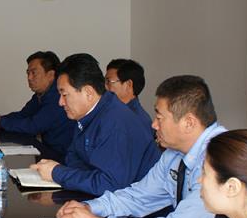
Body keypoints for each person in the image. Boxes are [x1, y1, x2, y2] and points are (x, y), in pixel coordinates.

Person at [57, 75, 225, 218]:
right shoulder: (174, 153)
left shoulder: (219, 161)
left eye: (160, 118)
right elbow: (139, 196)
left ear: (188, 123)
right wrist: (89, 207)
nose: (154, 125)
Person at [30, 53, 160, 196]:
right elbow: (73, 158)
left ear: (88, 92)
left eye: (64, 94)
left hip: (135, 205)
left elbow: (110, 185)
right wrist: (75, 175)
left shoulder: (115, 122)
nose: (60, 102)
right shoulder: (88, 114)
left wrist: (57, 173)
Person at [0, 51, 74, 161]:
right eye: (28, 73)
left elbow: (33, 126)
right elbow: (23, 115)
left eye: (34, 73)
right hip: (49, 150)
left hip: (63, 157)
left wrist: (0, 122)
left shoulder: (57, 97)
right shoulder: (41, 95)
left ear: (50, 75)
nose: (29, 78)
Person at [105, 58, 152, 130]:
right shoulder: (117, 112)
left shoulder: (136, 121)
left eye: (109, 81)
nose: (105, 87)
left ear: (128, 84)